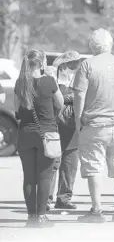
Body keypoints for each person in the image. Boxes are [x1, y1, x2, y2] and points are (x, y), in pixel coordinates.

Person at [72, 28, 114, 223]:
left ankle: (97, 210)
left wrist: (78, 120)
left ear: (92, 46)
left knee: (94, 167)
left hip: (94, 124)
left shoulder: (87, 65)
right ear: (110, 45)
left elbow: (79, 94)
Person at [14, 49, 64, 228]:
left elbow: (17, 112)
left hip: (25, 134)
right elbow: (60, 103)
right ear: (42, 63)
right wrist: (54, 82)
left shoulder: (20, 83)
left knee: (29, 177)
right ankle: (41, 217)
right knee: (44, 177)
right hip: (47, 134)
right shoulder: (49, 81)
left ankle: (31, 217)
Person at [48, 51, 83, 210]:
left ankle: (64, 198)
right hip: (54, 123)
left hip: (73, 124)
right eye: (71, 64)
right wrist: (72, 97)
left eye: (77, 64)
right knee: (52, 161)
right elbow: (52, 97)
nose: (74, 67)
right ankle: (46, 198)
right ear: (62, 65)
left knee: (70, 163)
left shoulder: (79, 77)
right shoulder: (51, 76)